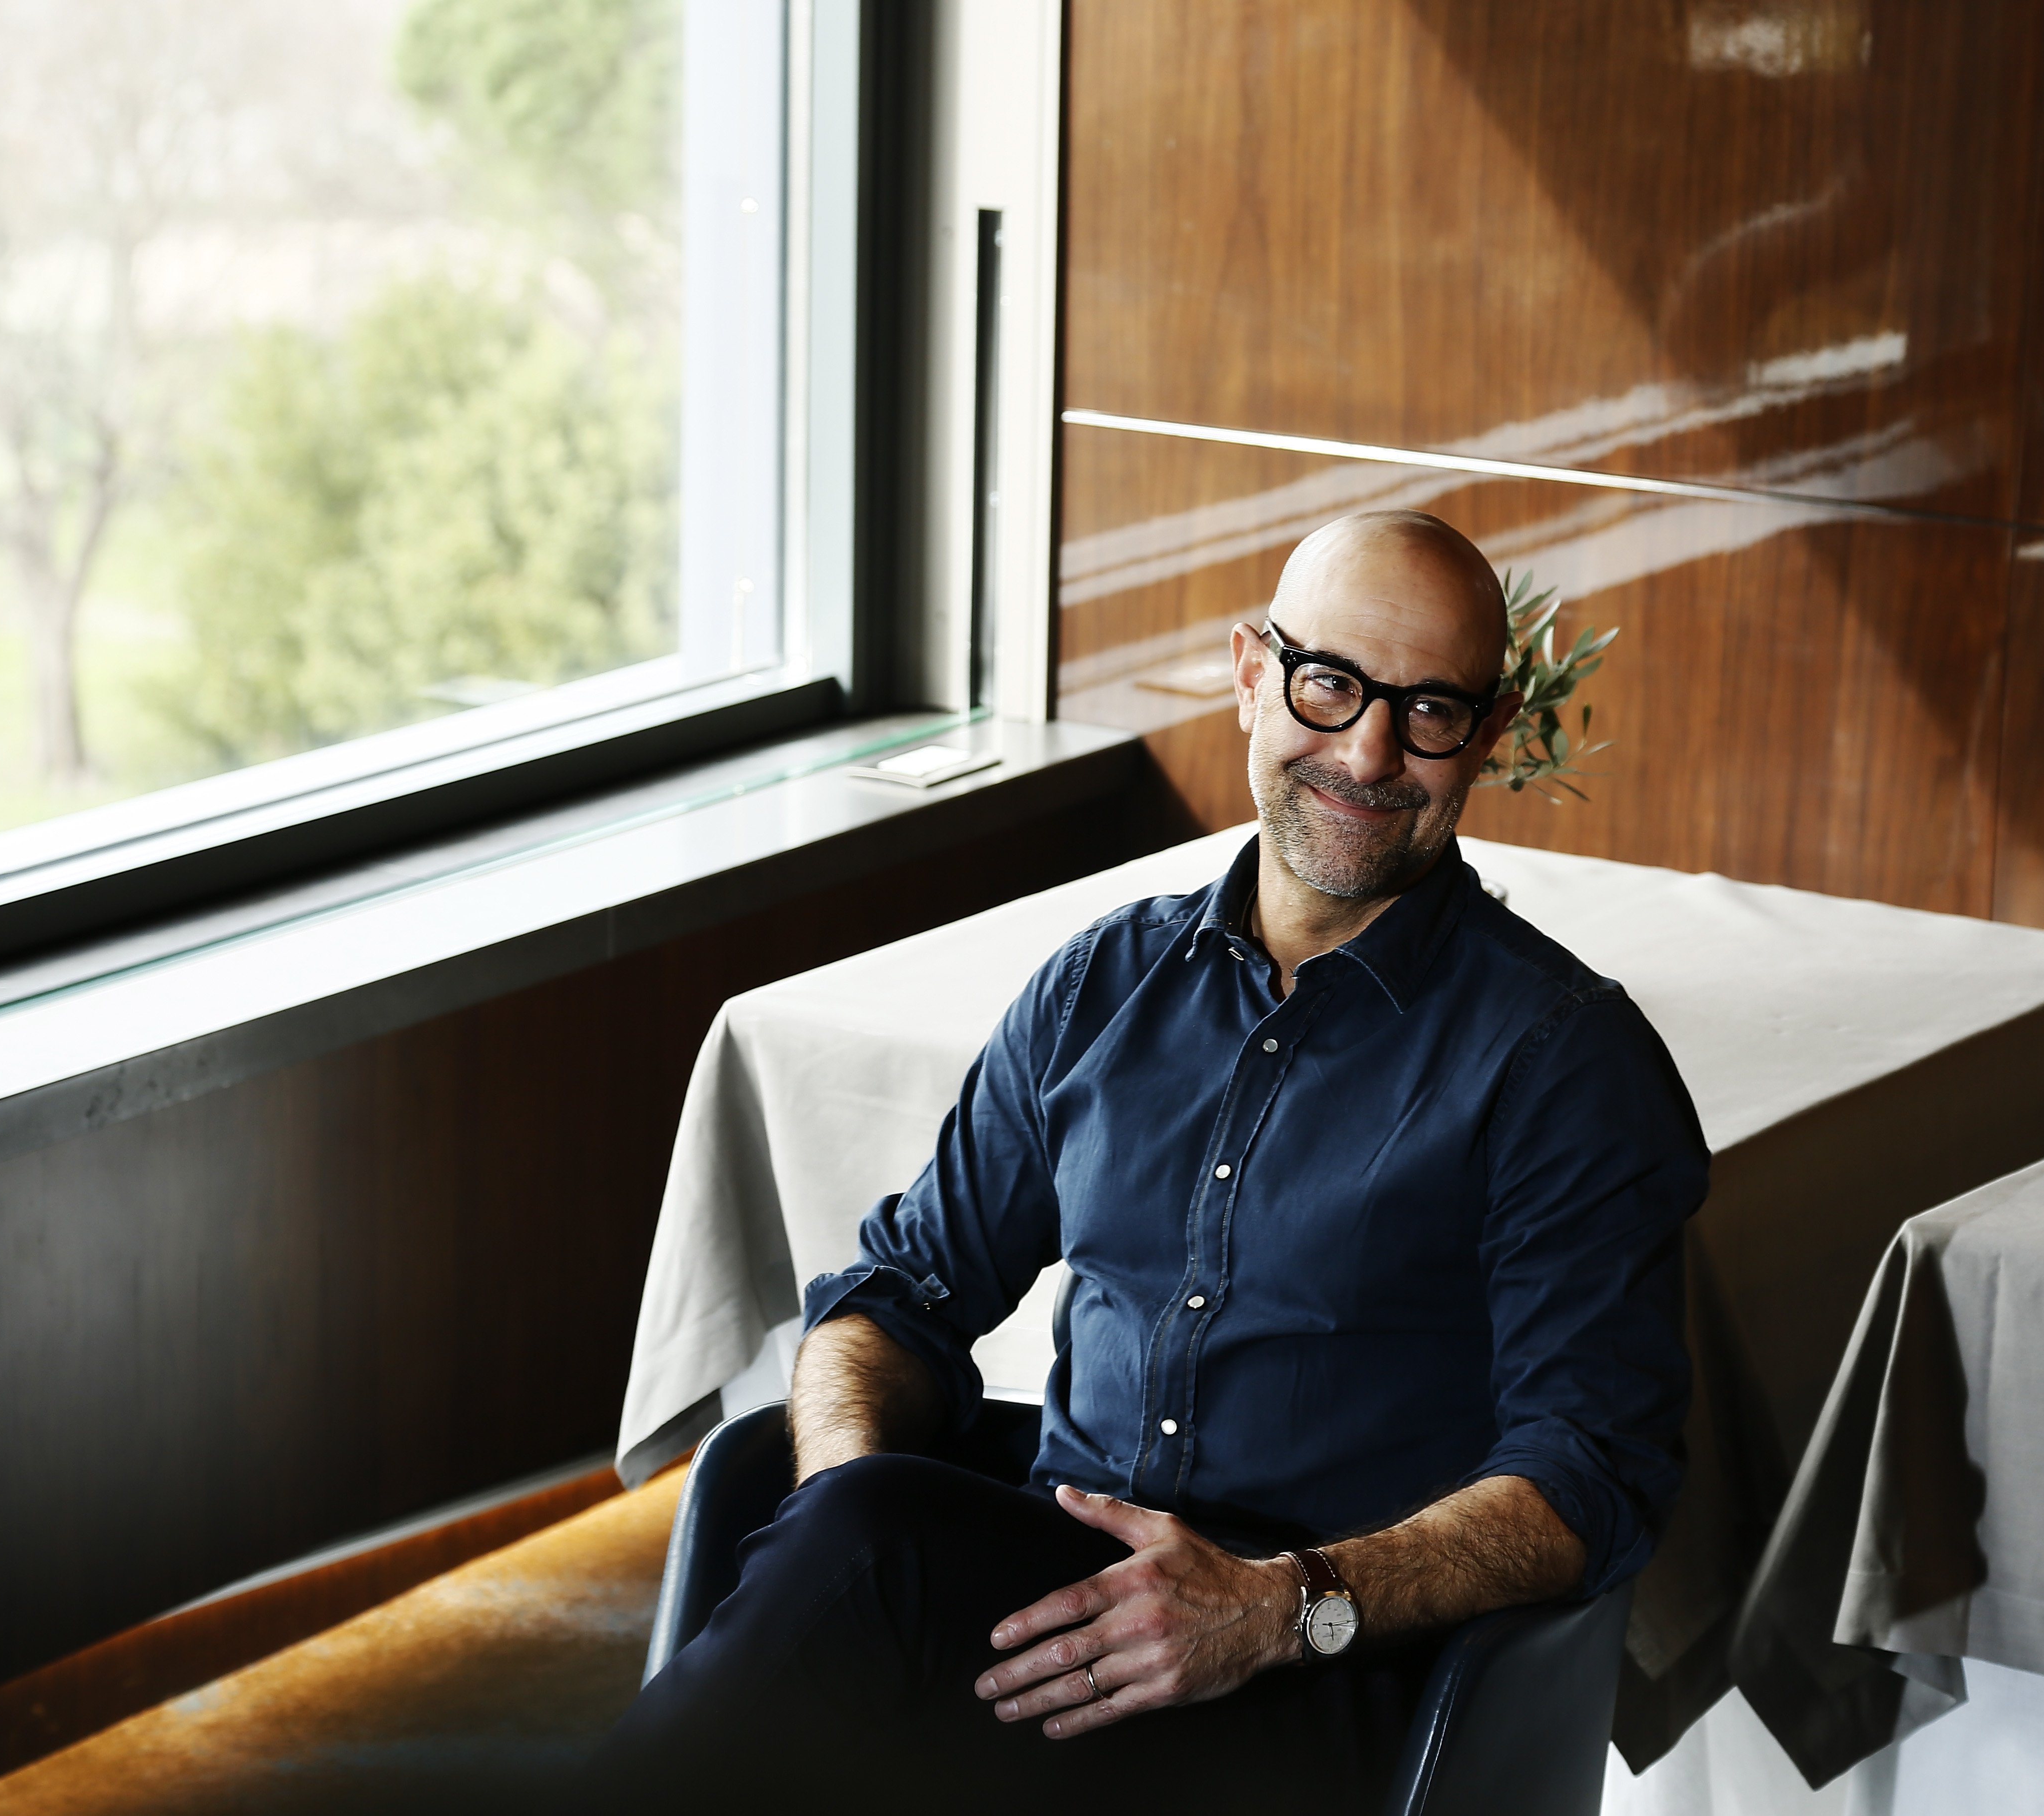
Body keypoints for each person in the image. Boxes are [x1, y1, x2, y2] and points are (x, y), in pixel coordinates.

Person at [594, 510, 1707, 1813]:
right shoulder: (1099, 988)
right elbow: (890, 1304)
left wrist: (1272, 1611)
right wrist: (831, 1515)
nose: (1366, 751)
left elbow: (1589, 1477)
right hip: (1052, 1622)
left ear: (1491, 732)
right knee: (855, 1530)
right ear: (1249, 672)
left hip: (1323, 1683)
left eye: (1429, 711)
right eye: (1329, 683)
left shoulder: (1563, 1063)